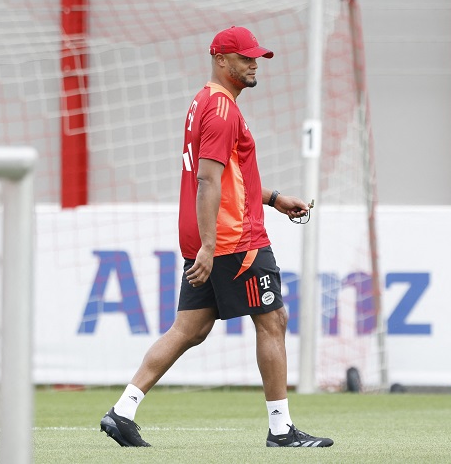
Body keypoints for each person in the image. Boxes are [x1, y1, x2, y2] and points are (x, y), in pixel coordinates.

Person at [99, 26, 333, 449]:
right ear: (220, 59)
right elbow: (209, 180)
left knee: (190, 328)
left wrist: (275, 199)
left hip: (212, 233)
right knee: (272, 320)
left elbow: (230, 178)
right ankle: (281, 430)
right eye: (245, 58)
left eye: (255, 57)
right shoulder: (223, 110)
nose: (253, 64)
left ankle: (122, 411)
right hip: (233, 238)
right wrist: (209, 246)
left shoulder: (203, 103)